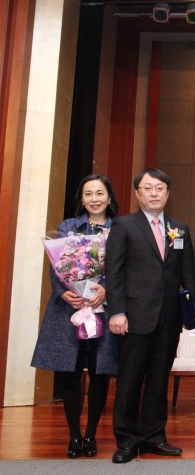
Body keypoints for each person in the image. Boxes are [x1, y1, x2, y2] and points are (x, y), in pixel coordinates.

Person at [106, 168, 195, 463]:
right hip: (134, 316)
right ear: (137, 193)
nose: (154, 193)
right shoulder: (124, 225)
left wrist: (192, 312)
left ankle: (155, 435)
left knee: (159, 380)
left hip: (168, 318)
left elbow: (188, 275)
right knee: (130, 379)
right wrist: (117, 311)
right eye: (148, 188)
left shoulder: (179, 228)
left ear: (168, 193)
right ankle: (128, 438)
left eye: (160, 188)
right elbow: (114, 273)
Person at [31, 174, 119, 458]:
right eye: (88, 194)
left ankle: (91, 434)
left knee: (99, 373)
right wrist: (62, 292)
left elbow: (124, 268)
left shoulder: (120, 228)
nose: (94, 199)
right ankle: (74, 436)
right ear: (81, 199)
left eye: (100, 193)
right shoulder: (68, 226)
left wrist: (105, 291)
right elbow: (56, 266)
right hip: (70, 310)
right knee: (69, 372)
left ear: (109, 197)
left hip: (103, 309)